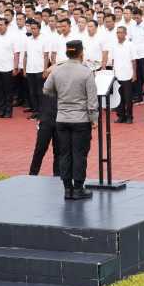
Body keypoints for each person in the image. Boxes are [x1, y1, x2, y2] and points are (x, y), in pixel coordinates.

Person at [43, 40, 97, 200]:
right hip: (80, 119)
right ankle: (78, 188)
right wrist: (94, 119)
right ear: (81, 53)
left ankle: (67, 188)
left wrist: (59, 96)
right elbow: (92, 100)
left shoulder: (57, 70)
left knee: (64, 154)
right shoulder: (86, 72)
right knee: (79, 154)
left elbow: (46, 89)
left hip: (62, 118)